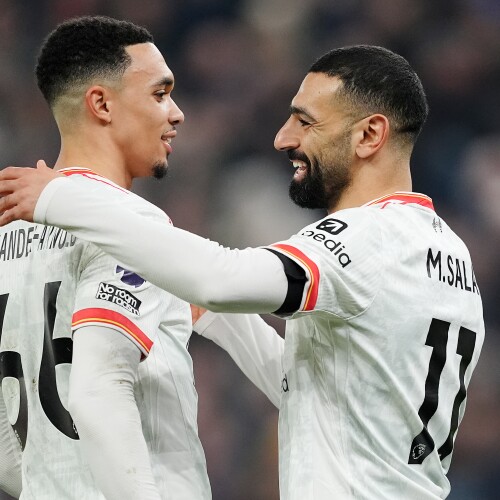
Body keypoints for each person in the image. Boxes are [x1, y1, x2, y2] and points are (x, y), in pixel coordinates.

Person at [0, 45, 485, 499]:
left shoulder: (365, 238)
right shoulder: (449, 253)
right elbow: (315, 391)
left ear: (369, 135)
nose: (283, 138)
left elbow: (221, 279)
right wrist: (211, 313)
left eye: (305, 121)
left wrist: (61, 199)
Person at [0, 16, 211, 500]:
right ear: (101, 104)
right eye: (160, 94)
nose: (176, 113)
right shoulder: (130, 226)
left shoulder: (6, 234)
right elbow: (98, 391)